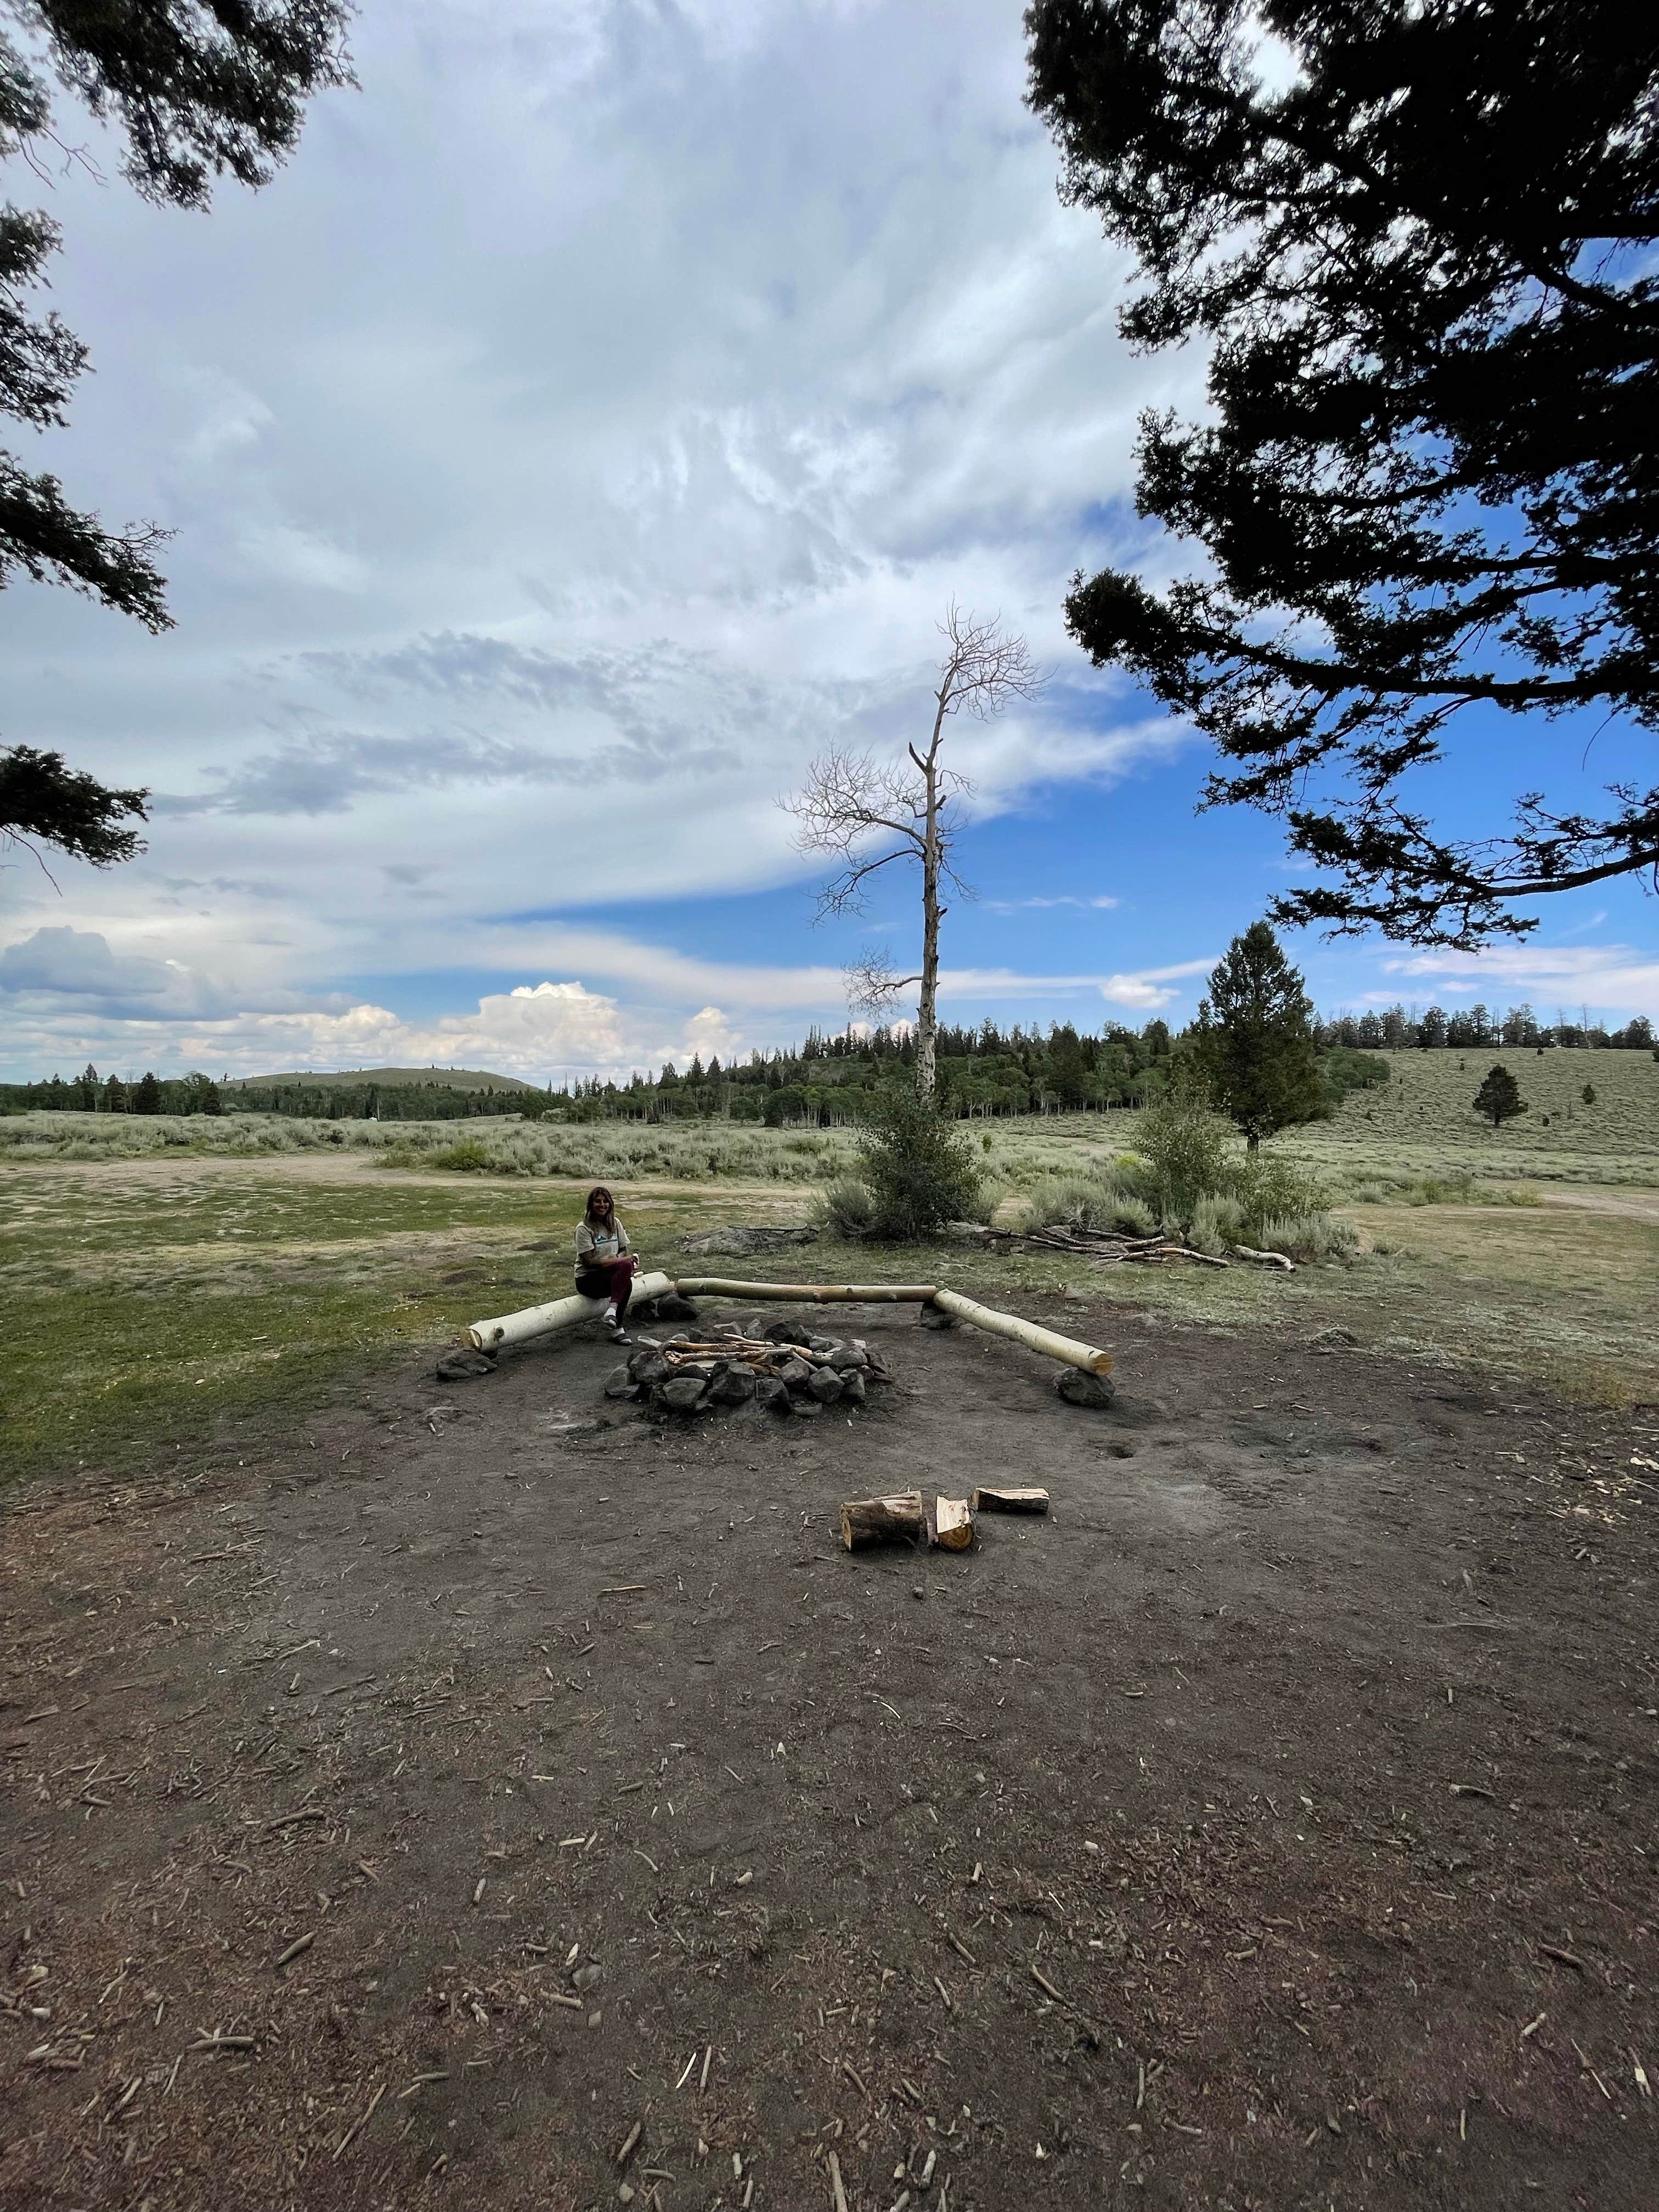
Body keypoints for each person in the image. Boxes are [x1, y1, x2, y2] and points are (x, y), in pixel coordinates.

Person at [575, 1186, 639, 1343]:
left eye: (605, 1201)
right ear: (591, 1204)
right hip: (588, 1279)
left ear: (610, 1204)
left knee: (627, 1277)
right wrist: (617, 1261)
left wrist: (624, 1260)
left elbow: (623, 1249)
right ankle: (616, 1324)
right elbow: (589, 1261)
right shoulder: (584, 1228)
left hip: (610, 1274)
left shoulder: (615, 1223)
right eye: (597, 1201)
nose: (602, 1205)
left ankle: (613, 1317)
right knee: (625, 1271)